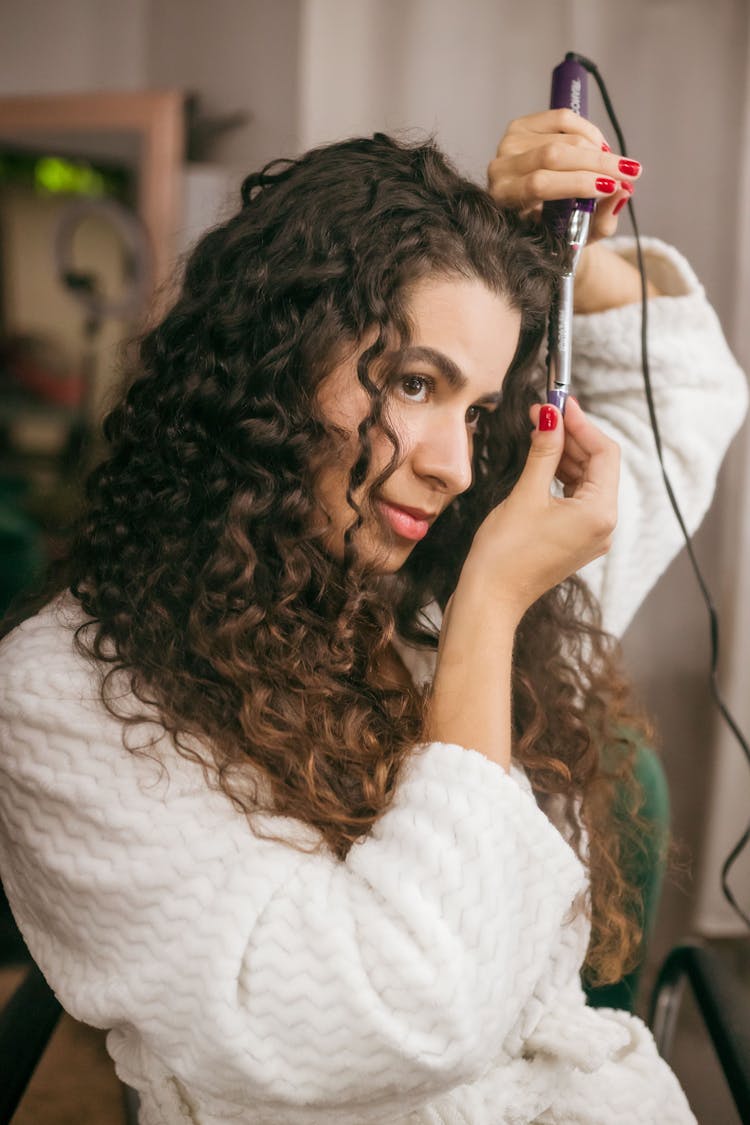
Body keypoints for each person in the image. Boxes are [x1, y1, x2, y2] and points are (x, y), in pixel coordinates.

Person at [0, 110, 746, 1125]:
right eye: (413, 381)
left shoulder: (428, 592)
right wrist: (489, 607)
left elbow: (688, 392)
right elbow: (404, 1018)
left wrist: (566, 252)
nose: (453, 464)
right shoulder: (64, 698)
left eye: (478, 412)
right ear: (268, 364)